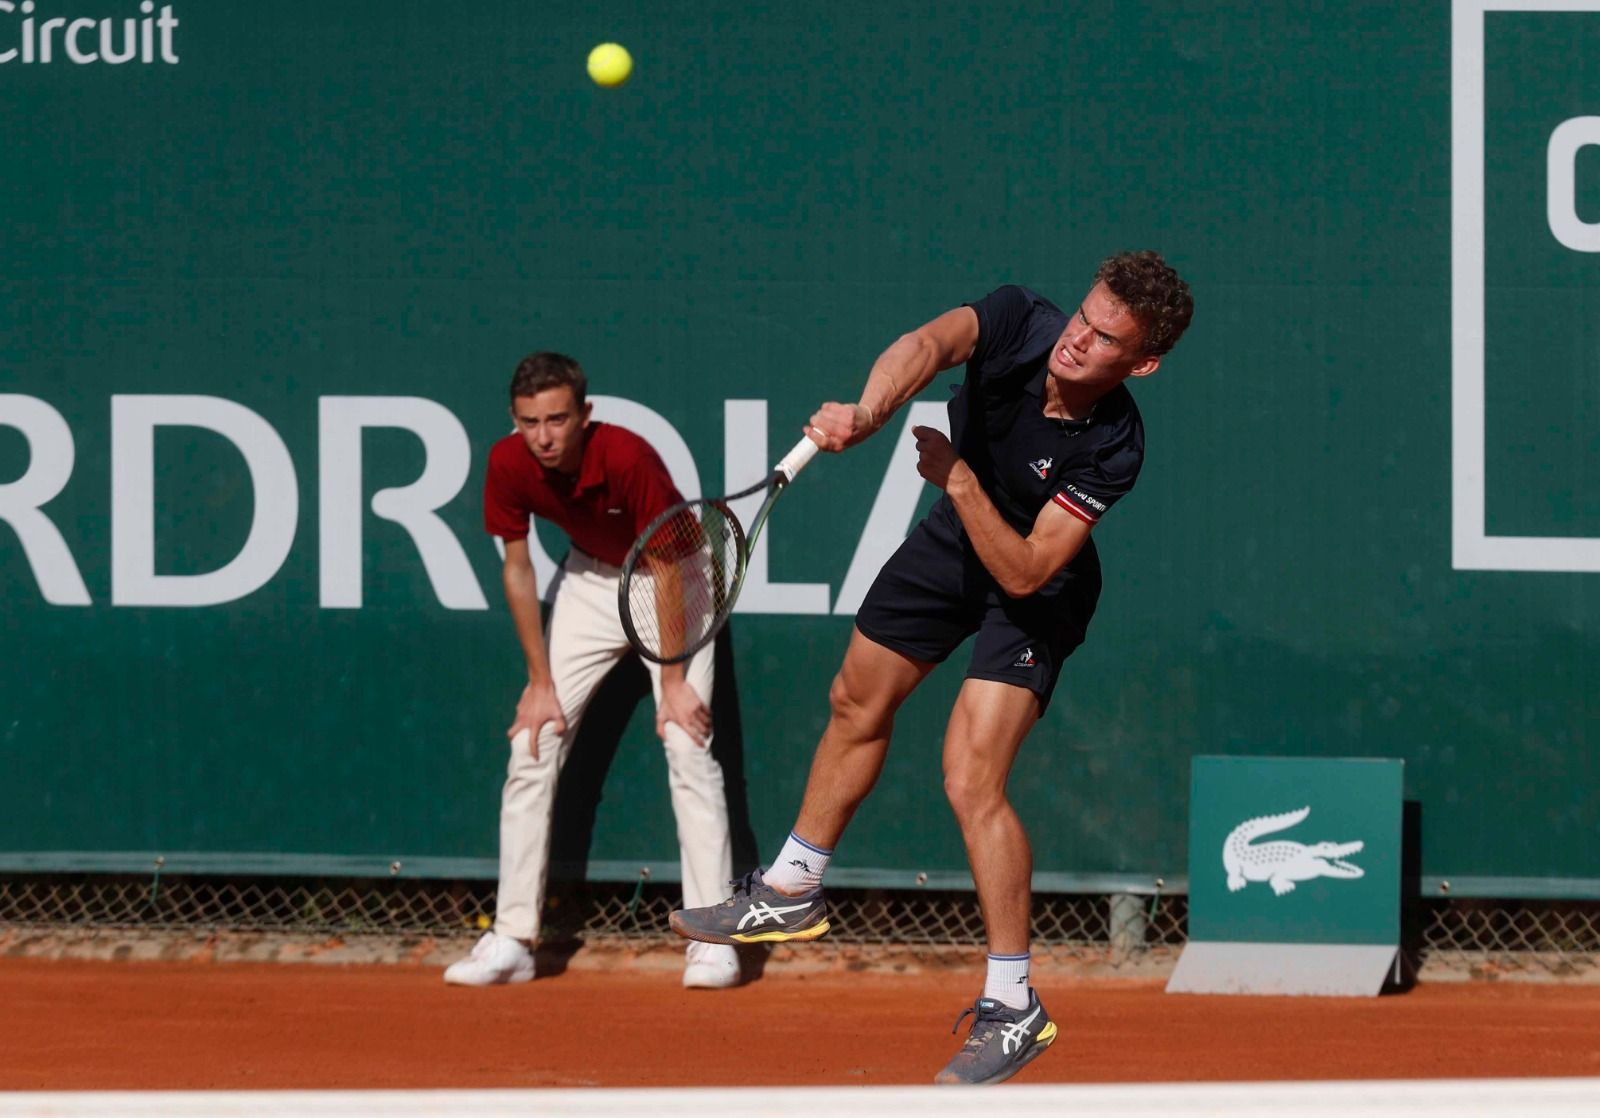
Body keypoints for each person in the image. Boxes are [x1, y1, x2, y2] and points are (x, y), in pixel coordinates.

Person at [671, 252, 1194, 1081]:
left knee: (969, 777)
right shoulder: (1024, 317)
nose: (1077, 341)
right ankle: (791, 887)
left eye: (1104, 340)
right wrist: (872, 411)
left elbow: (1027, 570)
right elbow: (925, 344)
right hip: (954, 546)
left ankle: (1015, 1005)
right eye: (1084, 319)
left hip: (1034, 588)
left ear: (1143, 363)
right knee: (855, 699)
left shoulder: (1115, 444)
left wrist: (954, 478)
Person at [446, 352, 740, 990]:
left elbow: (665, 569)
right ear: (513, 420)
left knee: (687, 743)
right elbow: (518, 569)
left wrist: (671, 684)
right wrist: (539, 683)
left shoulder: (629, 458)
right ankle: (514, 939)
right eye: (530, 422)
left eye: (557, 419)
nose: (544, 437)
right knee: (535, 739)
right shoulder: (508, 464)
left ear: (584, 414)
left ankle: (713, 940)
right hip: (588, 581)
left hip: (676, 580)